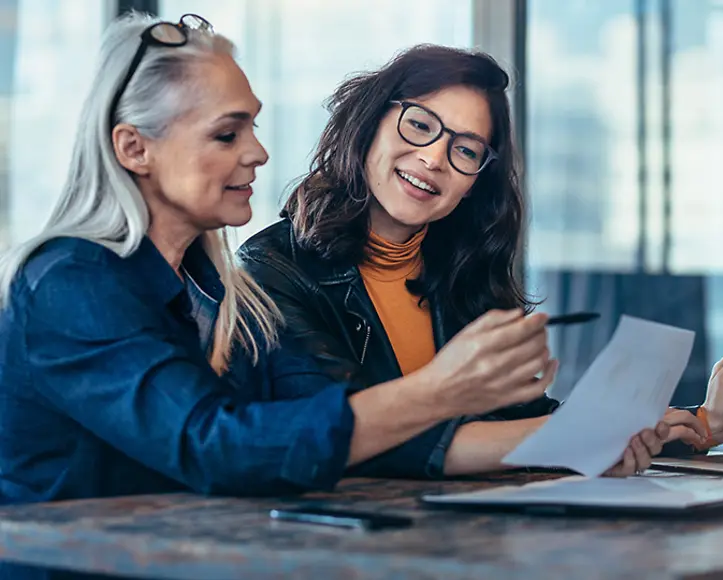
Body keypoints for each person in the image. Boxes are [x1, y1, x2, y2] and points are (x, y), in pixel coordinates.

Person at [0, 14, 578, 505]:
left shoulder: (224, 292)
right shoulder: (69, 282)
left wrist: (587, 435)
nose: (258, 152)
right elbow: (214, 446)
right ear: (134, 148)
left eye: (252, 125)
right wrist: (440, 391)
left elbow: (327, 424)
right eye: (228, 135)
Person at [238, 44, 723, 478]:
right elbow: (351, 436)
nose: (434, 158)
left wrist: (704, 422)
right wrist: (585, 437)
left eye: (466, 150)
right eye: (420, 125)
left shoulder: (460, 272)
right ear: (370, 123)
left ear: (475, 183)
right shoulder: (270, 271)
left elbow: (520, 422)